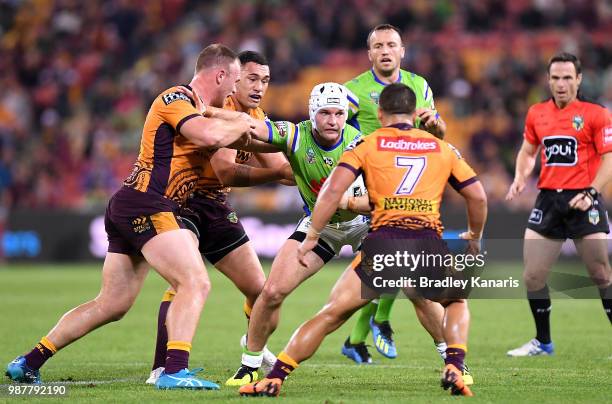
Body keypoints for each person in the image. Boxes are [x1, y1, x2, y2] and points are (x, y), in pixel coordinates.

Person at [5, 44, 254, 390]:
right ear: (220, 74)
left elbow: (217, 127)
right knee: (194, 282)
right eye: (235, 81)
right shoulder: (175, 98)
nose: (234, 91)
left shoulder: (202, 109)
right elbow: (207, 135)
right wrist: (242, 122)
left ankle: (29, 361)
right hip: (148, 204)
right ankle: (172, 371)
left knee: (112, 304)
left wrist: (245, 124)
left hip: (133, 205)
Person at [239, 83, 486, 397]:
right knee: (453, 301)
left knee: (332, 313)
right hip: (425, 241)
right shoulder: (441, 148)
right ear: (414, 114)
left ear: (379, 114)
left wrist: (312, 234)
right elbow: (477, 196)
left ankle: (276, 376)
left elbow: (330, 191)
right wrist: (473, 235)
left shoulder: (367, 143)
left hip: (382, 243)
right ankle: (455, 362)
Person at [145, 51, 293, 385]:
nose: (259, 87)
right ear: (233, 77)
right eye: (252, 79)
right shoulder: (222, 110)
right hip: (183, 200)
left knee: (261, 291)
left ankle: (252, 344)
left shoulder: (255, 114)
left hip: (215, 206)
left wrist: (318, 171)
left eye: (265, 81)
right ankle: (163, 367)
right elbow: (225, 171)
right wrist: (276, 175)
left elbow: (281, 169)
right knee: (183, 283)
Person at [225, 82, 370, 386]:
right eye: (325, 113)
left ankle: (452, 358)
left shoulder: (361, 145)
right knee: (273, 291)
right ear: (312, 114)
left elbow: (383, 197)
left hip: (365, 225)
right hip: (321, 228)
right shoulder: (295, 134)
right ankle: (251, 364)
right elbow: (255, 128)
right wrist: (211, 118)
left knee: (415, 290)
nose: (333, 120)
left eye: (339, 113)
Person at [343, 22, 456, 375]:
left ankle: (364, 332)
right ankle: (373, 326)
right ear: (370, 53)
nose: (386, 50)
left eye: (392, 44)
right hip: (370, 184)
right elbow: (333, 130)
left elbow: (438, 131)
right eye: (378, 46)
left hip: (411, 184)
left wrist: (435, 125)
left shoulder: (419, 86)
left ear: (402, 50)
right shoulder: (352, 90)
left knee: (390, 260)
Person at [505, 52, 612, 357]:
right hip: (549, 198)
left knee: (601, 275)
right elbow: (528, 151)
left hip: (584, 198)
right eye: (555, 78)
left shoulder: (596, 113)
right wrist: (520, 176)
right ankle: (543, 342)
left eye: (567, 77)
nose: (561, 84)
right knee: (532, 276)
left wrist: (591, 192)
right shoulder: (537, 112)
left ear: (578, 79)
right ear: (548, 80)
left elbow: (609, 158)